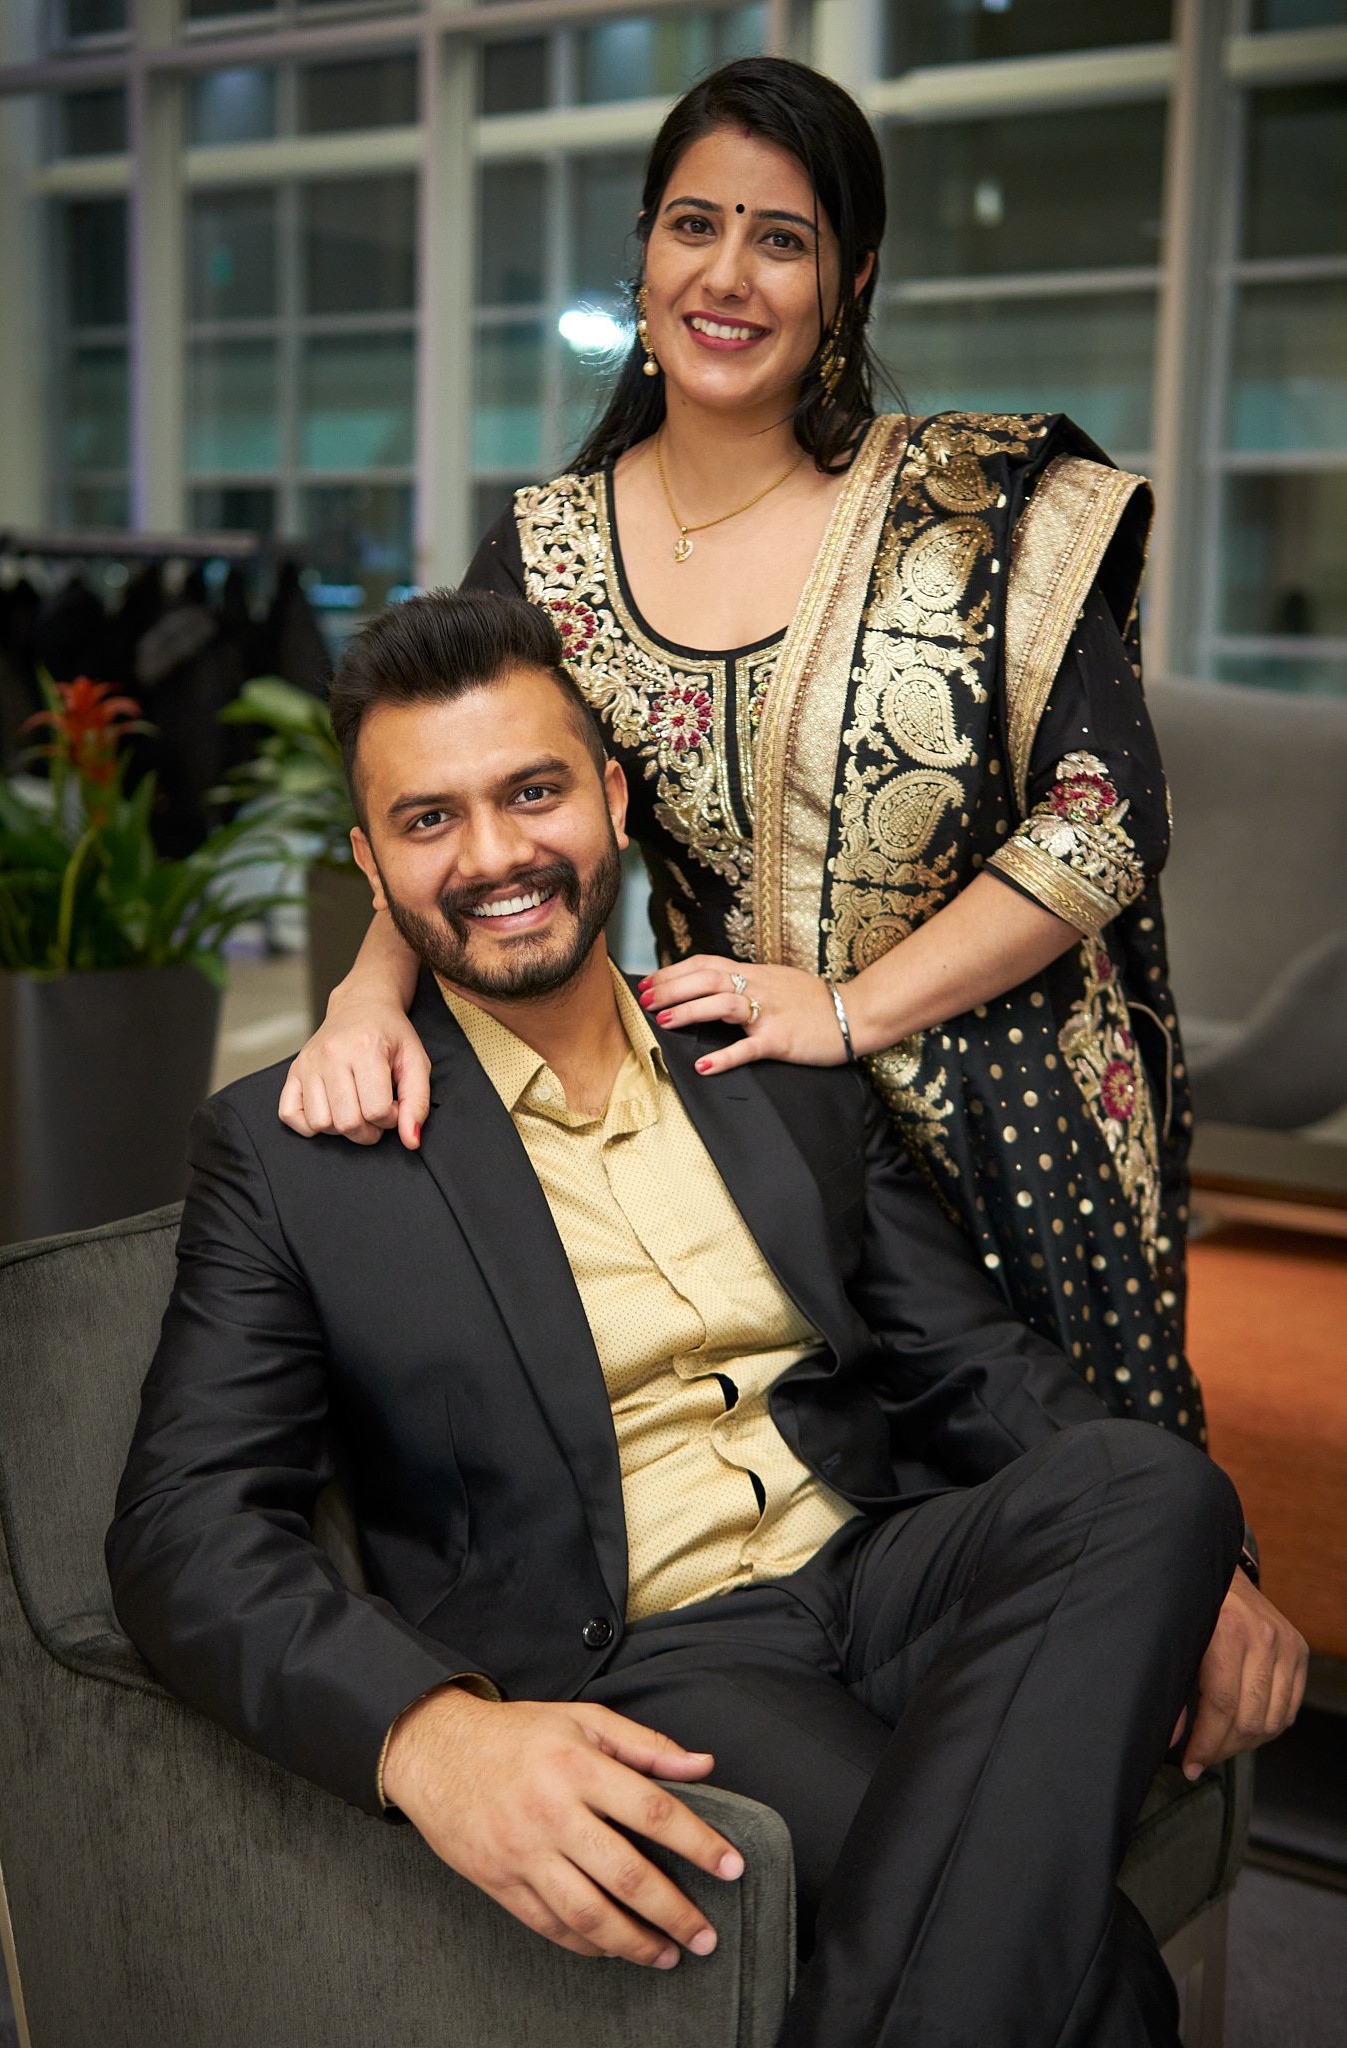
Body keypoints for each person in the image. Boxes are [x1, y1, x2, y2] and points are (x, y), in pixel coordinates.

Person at [109, 589, 1305, 2048]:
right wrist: (425, 1734)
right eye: (427, 822)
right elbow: (184, 1526)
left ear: (608, 799)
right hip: (656, 1650)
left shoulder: (765, 1054)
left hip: (880, 1571)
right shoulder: (292, 1145)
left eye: (531, 792)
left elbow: (969, 1361)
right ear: (370, 863)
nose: (492, 856)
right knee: (1084, 1975)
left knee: (1149, 1482)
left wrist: (1209, 1569)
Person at [281, 58, 1204, 1448]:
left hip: (1019, 1113)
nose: (730, 274)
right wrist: (364, 999)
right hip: (755, 1123)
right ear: (644, 258)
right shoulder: (549, 547)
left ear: (848, 281)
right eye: (692, 224)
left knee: (1089, 1511)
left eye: (783, 239)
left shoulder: (973, 506)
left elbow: (1105, 816)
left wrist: (852, 1012)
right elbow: (446, 788)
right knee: (819, 1525)